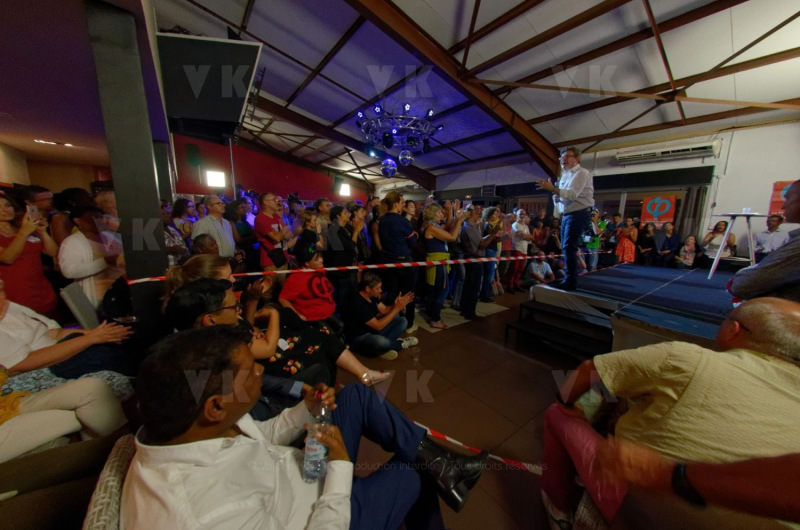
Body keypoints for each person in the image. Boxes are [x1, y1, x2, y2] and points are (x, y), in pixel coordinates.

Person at [120, 326, 488, 528]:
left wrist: (303, 410)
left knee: (357, 397)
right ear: (216, 406)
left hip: (301, 472)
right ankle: (442, 473)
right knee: (415, 469)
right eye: (251, 372)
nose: (262, 371)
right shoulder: (200, 513)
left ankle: (447, 469)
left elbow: (258, 437)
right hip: (327, 513)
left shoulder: (197, 422)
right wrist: (341, 467)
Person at [540, 297, 800, 528]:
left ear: (733, 330)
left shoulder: (687, 358)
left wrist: (566, 402)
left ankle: (558, 506)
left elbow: (589, 369)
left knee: (558, 412)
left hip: (650, 505)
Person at [0, 275, 132, 379]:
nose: (2, 298)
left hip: (65, 346)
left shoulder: (11, 307)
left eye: (1, 291)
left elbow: (55, 333)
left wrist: (101, 334)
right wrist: (91, 338)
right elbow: (21, 364)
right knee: (113, 358)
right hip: (50, 366)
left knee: (124, 338)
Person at [0, 366, 126, 463]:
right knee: (87, 412)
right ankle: (123, 455)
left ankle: (121, 454)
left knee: (92, 388)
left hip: (5, 405)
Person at [730, 180, 800, 302]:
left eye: (788, 198)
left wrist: (740, 278)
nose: (783, 206)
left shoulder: (792, 240)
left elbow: (745, 284)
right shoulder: (793, 235)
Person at [536, 147, 594, 290]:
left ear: (577, 159)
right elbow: (561, 200)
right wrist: (555, 196)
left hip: (579, 213)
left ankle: (571, 280)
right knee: (565, 247)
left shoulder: (581, 173)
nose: (563, 159)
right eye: (561, 157)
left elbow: (572, 195)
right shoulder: (565, 176)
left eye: (567, 156)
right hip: (568, 214)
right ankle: (569, 278)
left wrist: (552, 189)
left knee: (569, 247)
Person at [0, 194, 59, 317]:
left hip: (41, 289)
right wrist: (24, 232)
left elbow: (52, 252)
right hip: (15, 292)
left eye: (7, 205)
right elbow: (7, 258)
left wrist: (43, 233)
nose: (5, 210)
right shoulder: (24, 230)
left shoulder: (24, 228)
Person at [58, 205, 125, 309]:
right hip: (99, 296)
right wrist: (104, 261)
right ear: (78, 221)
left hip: (120, 288)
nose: (99, 220)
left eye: (100, 217)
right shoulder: (72, 242)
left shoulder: (108, 236)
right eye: (93, 217)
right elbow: (69, 271)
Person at [345, 273, 418, 360]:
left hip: (372, 331)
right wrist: (396, 309)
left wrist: (396, 305)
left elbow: (384, 310)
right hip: (359, 337)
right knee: (381, 341)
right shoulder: (358, 303)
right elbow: (378, 326)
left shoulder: (372, 296)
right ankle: (398, 344)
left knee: (402, 321)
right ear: (368, 288)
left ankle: (383, 349)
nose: (380, 290)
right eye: (377, 288)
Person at [377, 191, 418, 333]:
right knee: (409, 293)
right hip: (404, 262)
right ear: (396, 204)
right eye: (402, 203)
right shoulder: (402, 221)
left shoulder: (382, 220)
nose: (404, 205)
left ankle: (391, 320)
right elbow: (412, 243)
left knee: (392, 292)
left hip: (388, 261)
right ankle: (409, 324)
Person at [422, 203, 467, 330]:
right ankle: (435, 319)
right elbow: (452, 237)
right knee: (443, 290)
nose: (442, 214)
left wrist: (452, 211)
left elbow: (449, 225)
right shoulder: (431, 227)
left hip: (439, 262)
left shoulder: (434, 225)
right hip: (438, 262)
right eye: (439, 212)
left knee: (437, 290)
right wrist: (460, 219)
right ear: (432, 214)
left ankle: (431, 313)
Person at [255, 193, 293, 295]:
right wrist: (284, 230)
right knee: (269, 292)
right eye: (274, 200)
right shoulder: (260, 218)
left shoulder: (276, 217)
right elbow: (276, 238)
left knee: (282, 291)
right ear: (266, 203)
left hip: (283, 258)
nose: (277, 202)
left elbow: (289, 235)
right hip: (271, 262)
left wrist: (283, 233)